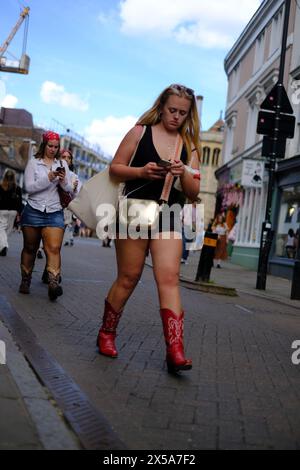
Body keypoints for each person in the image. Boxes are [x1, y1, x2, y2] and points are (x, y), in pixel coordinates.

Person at [96, 84, 201, 374]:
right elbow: (115, 168)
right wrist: (142, 172)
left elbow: (194, 192)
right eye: (172, 110)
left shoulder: (189, 145)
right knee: (129, 277)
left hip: (169, 212)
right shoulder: (139, 132)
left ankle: (175, 350)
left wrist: (184, 174)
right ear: (162, 106)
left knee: (169, 278)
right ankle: (107, 333)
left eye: (183, 112)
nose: (176, 117)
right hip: (135, 208)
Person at [19, 131, 72, 300]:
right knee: (30, 247)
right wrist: (49, 178)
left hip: (54, 211)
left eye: (56, 147)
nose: (53, 149)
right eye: (50, 146)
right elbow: (29, 188)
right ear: (44, 145)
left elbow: (70, 189)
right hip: (33, 210)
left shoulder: (62, 163)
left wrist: (63, 180)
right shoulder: (34, 163)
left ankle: (53, 284)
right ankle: (26, 279)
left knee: (54, 248)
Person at [60, 148, 82, 247]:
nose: (66, 159)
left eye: (69, 158)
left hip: (65, 207)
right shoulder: (52, 170)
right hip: (51, 205)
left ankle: (68, 239)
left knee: (64, 227)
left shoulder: (74, 176)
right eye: (64, 157)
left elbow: (76, 195)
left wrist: (75, 188)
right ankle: (41, 247)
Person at [0, 169, 23, 256]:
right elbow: (20, 202)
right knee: (8, 230)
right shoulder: (17, 188)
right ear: (14, 177)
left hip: (2, 210)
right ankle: (3, 245)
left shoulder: (1, 186)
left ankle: (4, 245)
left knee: (1, 228)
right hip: (13, 211)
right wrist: (19, 213)